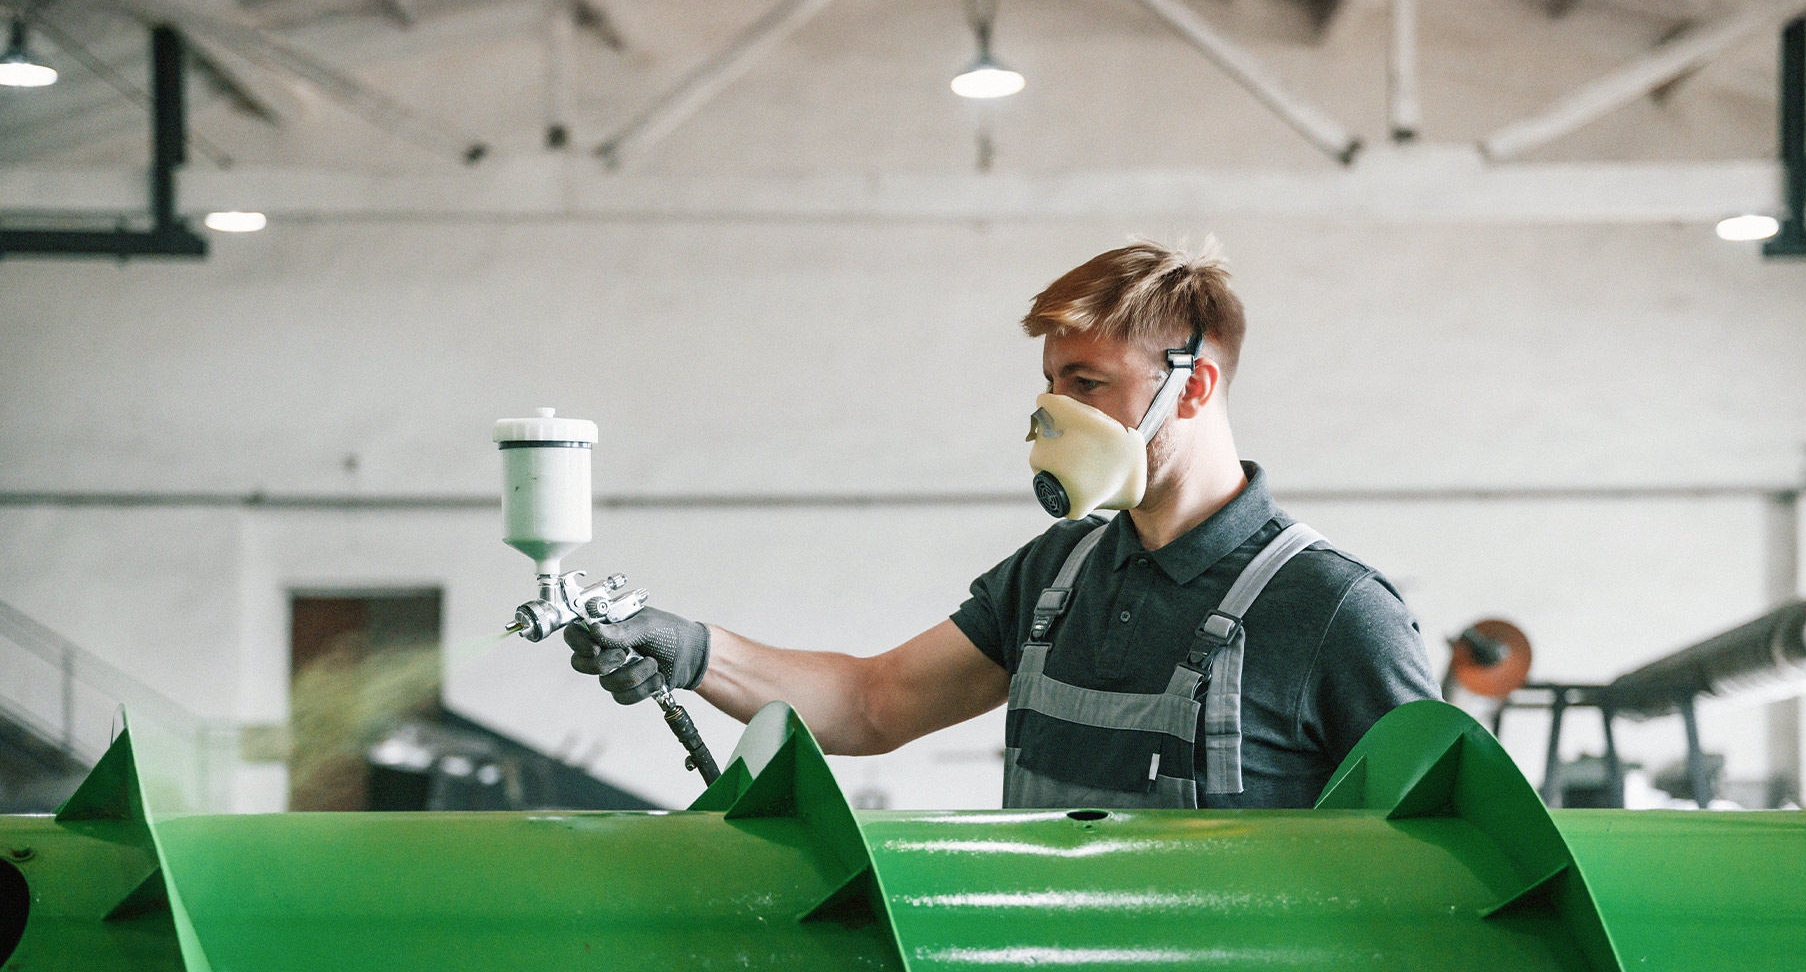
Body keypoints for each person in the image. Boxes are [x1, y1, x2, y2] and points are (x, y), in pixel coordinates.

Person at [566, 239, 1439, 808]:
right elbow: (874, 703)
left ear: (1195, 386)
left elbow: (1436, 861)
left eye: (1088, 383)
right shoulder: (1055, 576)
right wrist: (694, 650)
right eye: (1052, 384)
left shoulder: (1334, 610)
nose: (1057, 413)